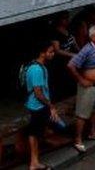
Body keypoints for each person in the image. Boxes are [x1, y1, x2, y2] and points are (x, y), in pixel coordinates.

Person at [67, 25, 95, 153]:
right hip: (88, 87)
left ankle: (92, 132)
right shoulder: (86, 50)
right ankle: (78, 139)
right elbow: (71, 65)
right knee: (83, 113)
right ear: (93, 37)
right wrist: (81, 80)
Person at [24, 39, 59, 170]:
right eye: (50, 52)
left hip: (37, 105)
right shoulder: (37, 69)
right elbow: (38, 93)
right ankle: (34, 162)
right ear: (42, 53)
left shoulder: (36, 66)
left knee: (37, 131)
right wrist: (50, 106)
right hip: (37, 106)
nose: (52, 54)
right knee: (34, 133)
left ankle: (35, 160)